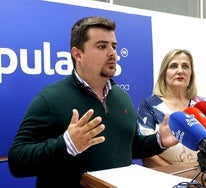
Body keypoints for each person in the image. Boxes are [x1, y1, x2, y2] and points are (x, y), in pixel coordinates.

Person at [8, 16, 178, 188]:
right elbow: (17, 161)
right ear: (78, 54)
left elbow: (131, 147)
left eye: (114, 46)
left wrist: (159, 140)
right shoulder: (51, 98)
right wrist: (66, 144)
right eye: (102, 46)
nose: (112, 53)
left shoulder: (121, 97)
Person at [137, 49, 206, 168]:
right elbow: (146, 154)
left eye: (185, 66)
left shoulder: (201, 104)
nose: (180, 71)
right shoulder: (149, 105)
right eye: (173, 66)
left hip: (202, 178)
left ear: (191, 73)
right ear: (164, 73)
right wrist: (180, 175)